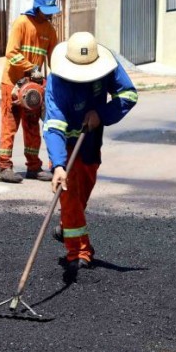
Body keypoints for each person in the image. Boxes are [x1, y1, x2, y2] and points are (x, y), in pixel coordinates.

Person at [44, 32, 138, 271]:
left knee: (82, 192)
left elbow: (128, 95)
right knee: (70, 193)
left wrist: (102, 114)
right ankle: (78, 253)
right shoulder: (56, 83)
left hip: (91, 139)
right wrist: (58, 165)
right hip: (65, 143)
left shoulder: (108, 67)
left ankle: (67, 227)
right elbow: (54, 126)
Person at [0, 0, 60, 183]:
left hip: (34, 88)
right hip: (13, 83)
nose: (49, 15)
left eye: (51, 11)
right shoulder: (22, 23)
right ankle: (4, 166)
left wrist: (56, 81)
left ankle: (34, 166)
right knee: (10, 124)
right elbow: (11, 53)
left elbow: (54, 59)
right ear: (37, 8)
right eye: (46, 11)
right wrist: (31, 67)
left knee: (32, 126)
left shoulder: (49, 30)